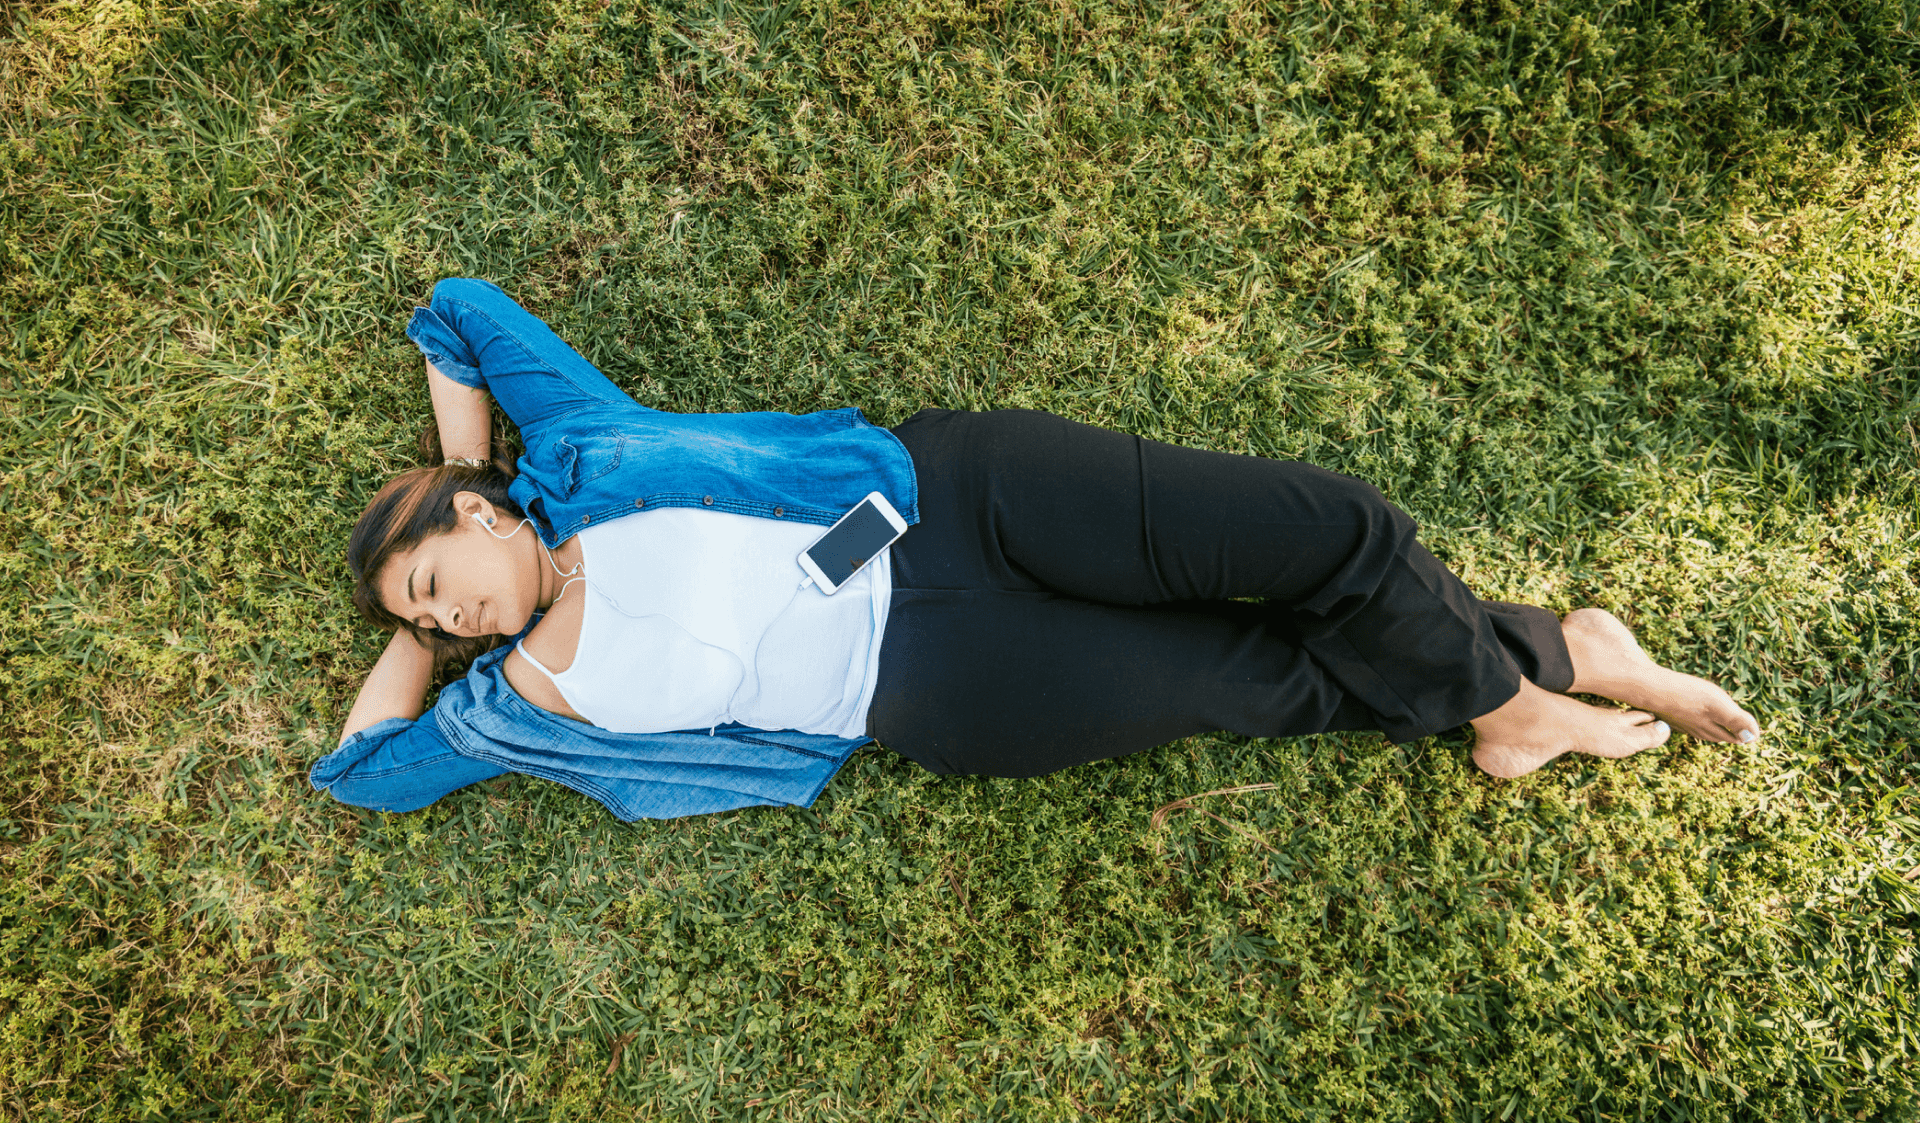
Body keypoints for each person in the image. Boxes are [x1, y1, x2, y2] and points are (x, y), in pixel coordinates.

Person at [310, 279, 1761, 821]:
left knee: (1335, 529)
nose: (458, 620)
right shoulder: (515, 710)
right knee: (1267, 675)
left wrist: (466, 457)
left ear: (481, 514)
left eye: (441, 577)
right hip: (940, 681)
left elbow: (458, 311)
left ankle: (1518, 700)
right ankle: (1562, 655)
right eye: (439, 624)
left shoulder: (577, 465)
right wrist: (412, 647)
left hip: (950, 496)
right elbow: (366, 772)